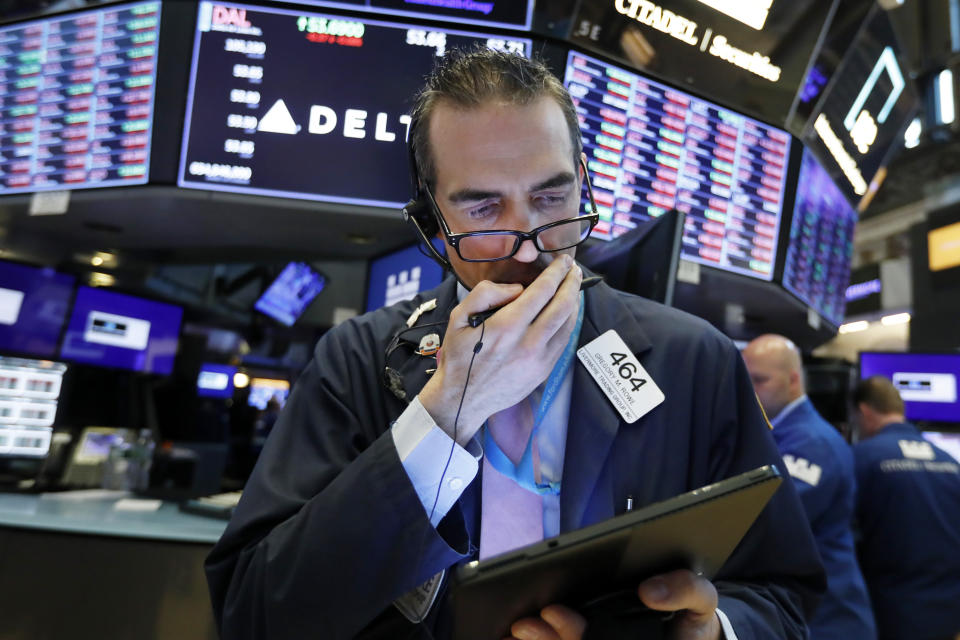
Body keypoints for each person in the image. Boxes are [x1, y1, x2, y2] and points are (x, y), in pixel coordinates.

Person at [205, 48, 824, 639]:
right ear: (431, 224)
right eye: (483, 209)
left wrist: (714, 630)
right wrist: (447, 412)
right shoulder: (358, 362)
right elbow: (254, 615)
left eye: (552, 197)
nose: (529, 246)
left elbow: (781, 590)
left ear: (583, 180)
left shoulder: (695, 360)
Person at [742, 335, 875, 639]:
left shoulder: (812, 444)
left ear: (793, 380)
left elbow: (761, 520)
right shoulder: (782, 434)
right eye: (744, 380)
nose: (749, 392)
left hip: (830, 619)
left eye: (759, 381)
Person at [851, 376, 960, 640]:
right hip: (949, 613)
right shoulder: (950, 463)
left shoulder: (860, 459)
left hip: (890, 612)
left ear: (863, 411)